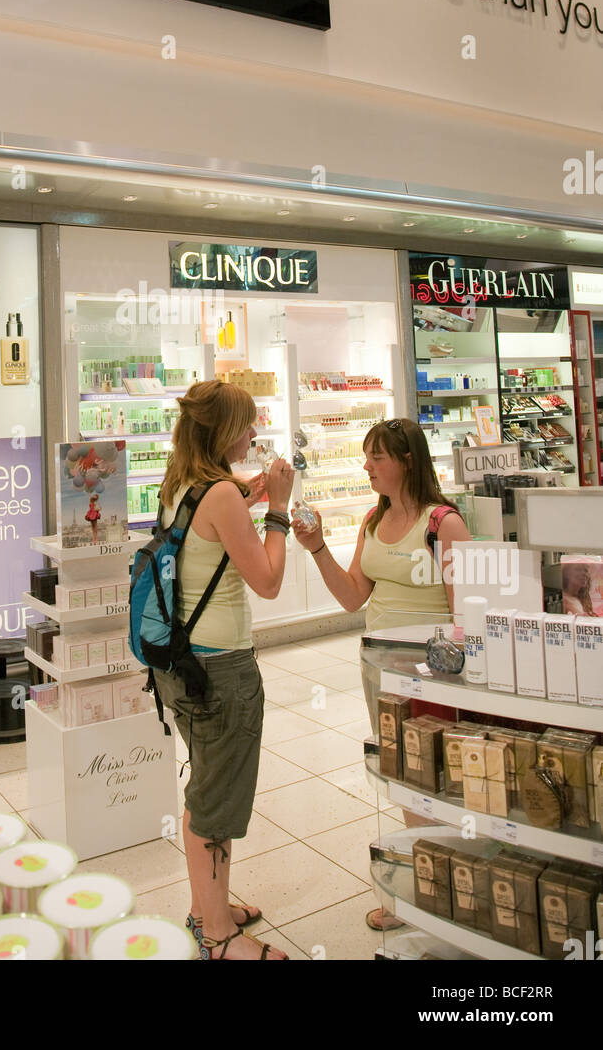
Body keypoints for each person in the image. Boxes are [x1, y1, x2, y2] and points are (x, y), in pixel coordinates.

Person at [291, 416, 472, 932]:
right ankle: (423, 885)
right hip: (379, 669)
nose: (366, 467)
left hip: (432, 675)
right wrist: (317, 548)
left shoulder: (444, 523)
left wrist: (448, 676)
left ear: (407, 461)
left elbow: (465, 616)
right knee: (401, 776)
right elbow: (353, 597)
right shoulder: (373, 520)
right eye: (366, 457)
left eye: (377, 458)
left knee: (436, 777)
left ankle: (444, 888)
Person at [153, 379, 294, 961]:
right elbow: (267, 580)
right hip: (222, 669)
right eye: (246, 424)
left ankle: (207, 906)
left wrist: (248, 495)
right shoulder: (223, 496)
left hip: (177, 663)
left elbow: (209, 531)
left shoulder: (180, 484)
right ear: (221, 431)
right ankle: (218, 936)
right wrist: (279, 511)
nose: (256, 434)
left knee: (207, 789)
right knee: (218, 800)